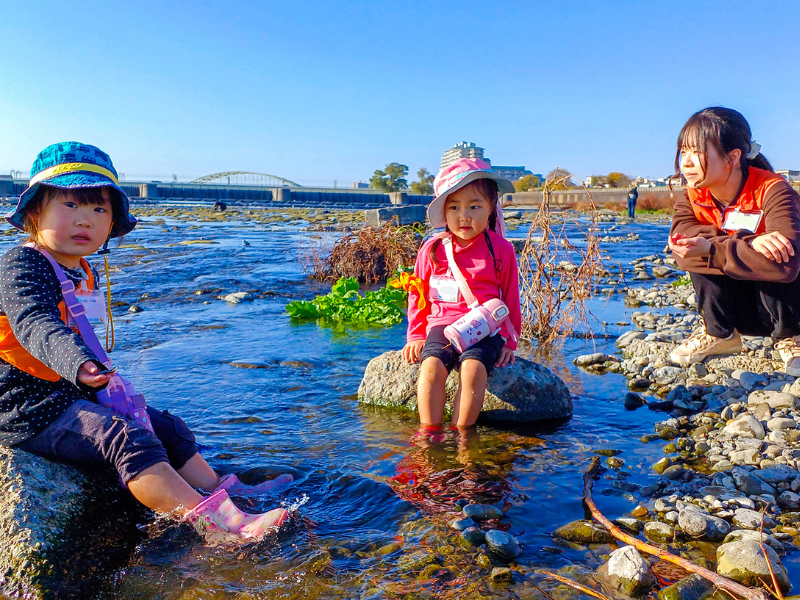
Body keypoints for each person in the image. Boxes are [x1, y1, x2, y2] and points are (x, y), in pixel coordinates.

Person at [0, 142, 292, 545]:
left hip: (70, 392)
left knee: (167, 427)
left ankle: (219, 488)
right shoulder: (21, 263)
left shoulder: (81, 268)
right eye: (70, 205)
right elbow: (34, 321)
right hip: (27, 406)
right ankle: (218, 525)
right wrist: (78, 363)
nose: (85, 220)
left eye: (99, 209)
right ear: (35, 211)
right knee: (125, 437)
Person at [667, 107, 800, 374]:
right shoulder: (691, 197)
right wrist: (750, 243)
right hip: (742, 312)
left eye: (698, 152)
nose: (687, 162)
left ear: (733, 156)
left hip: (787, 308)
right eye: (684, 152)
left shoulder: (774, 190)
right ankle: (720, 334)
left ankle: (792, 339)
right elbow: (682, 250)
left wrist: (714, 247)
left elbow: (787, 267)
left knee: (777, 255)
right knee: (697, 253)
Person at [401, 158, 521, 432]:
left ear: (491, 208)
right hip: (443, 325)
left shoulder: (500, 249)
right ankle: (429, 434)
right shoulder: (432, 249)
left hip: (485, 328)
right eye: (454, 207)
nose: (464, 216)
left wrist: (510, 343)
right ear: (443, 211)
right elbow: (418, 295)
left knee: (473, 370)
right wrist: (416, 335)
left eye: (474, 206)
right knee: (431, 366)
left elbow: (511, 296)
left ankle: (462, 435)